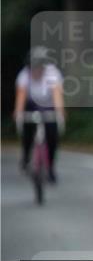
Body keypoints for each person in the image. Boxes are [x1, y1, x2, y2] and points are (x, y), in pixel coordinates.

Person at [13, 46, 65, 183]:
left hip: (49, 105)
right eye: (34, 67)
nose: (37, 70)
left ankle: (51, 167)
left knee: (52, 135)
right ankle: (26, 156)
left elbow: (57, 95)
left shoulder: (52, 74)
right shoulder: (24, 75)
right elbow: (21, 97)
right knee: (27, 132)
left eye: (39, 66)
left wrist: (59, 113)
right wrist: (19, 114)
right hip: (31, 105)